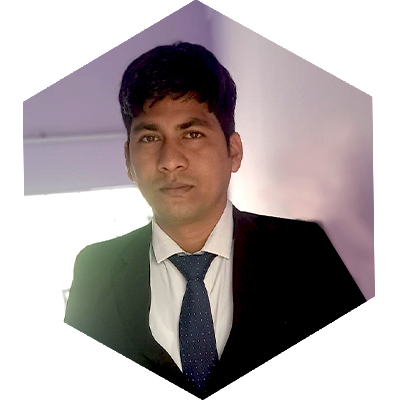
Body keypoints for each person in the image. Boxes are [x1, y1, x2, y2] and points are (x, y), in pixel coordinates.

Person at [64, 42, 366, 398]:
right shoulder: (96, 268)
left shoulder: (303, 251)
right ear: (129, 160)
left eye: (192, 134)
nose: (170, 160)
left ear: (233, 152)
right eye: (150, 137)